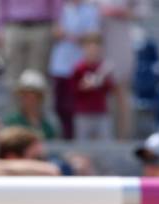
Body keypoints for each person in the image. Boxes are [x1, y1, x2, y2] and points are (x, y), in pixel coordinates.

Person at [96, 0, 151, 139]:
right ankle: (104, 137)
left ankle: (123, 137)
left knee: (121, 91)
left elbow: (143, 10)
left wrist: (120, 12)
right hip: (97, 42)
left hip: (121, 42)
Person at [49, 0, 100, 140]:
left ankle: (75, 137)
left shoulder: (90, 10)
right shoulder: (60, 8)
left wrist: (72, 35)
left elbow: (92, 35)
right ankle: (65, 135)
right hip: (61, 65)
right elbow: (55, 31)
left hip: (80, 63)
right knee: (61, 105)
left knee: (76, 105)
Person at [0, 0, 63, 86]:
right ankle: (14, 99)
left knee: (39, 75)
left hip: (41, 27)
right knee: (13, 73)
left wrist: (58, 22)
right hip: (14, 26)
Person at [70, 33, 117, 141]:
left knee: (105, 143)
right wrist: (84, 86)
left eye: (96, 50)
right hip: (83, 114)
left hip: (101, 113)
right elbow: (74, 90)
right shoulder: (79, 68)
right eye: (90, 49)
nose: (93, 53)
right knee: (82, 145)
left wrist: (102, 81)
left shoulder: (104, 68)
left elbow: (110, 88)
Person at [4, 69, 58, 140]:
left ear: (40, 97)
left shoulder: (50, 123)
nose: (26, 99)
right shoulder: (12, 122)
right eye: (23, 95)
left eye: (31, 95)